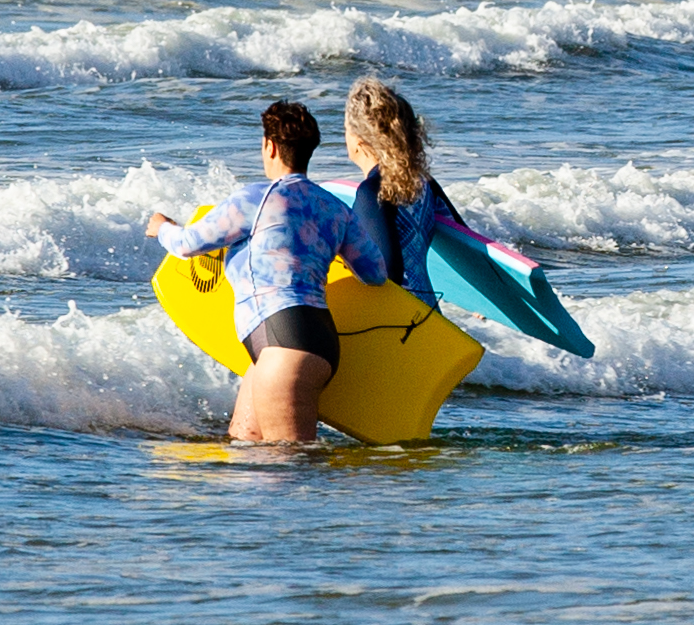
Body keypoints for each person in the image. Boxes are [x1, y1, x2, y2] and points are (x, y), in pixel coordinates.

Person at [157, 99, 385, 447]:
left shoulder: (257, 199)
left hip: (284, 347)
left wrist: (161, 228)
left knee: (290, 464)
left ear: (270, 146)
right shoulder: (335, 209)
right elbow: (375, 273)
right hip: (312, 342)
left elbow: (187, 244)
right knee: (243, 445)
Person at [338, 78, 537, 311]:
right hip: (428, 315)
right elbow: (466, 243)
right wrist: (481, 302)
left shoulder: (372, 193)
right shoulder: (422, 183)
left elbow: (386, 275)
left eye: (345, 129)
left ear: (359, 142)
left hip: (396, 324)